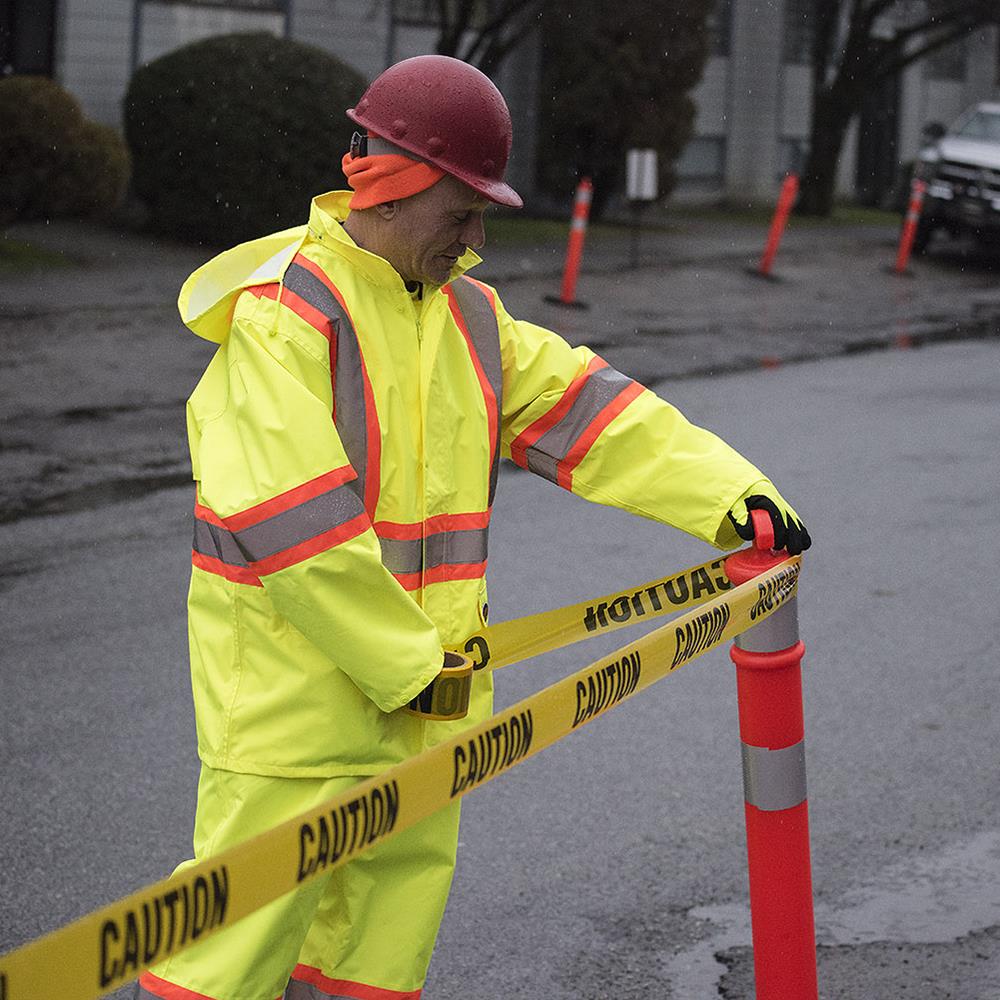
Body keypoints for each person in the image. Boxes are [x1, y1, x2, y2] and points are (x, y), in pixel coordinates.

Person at [137, 54, 809, 1000]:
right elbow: (288, 524)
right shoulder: (288, 317)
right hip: (295, 719)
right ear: (392, 188)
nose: (476, 237)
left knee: (376, 959)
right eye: (464, 213)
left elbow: (595, 416)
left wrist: (735, 497)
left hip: (427, 715)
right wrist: (409, 668)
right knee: (228, 955)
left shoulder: (467, 318)